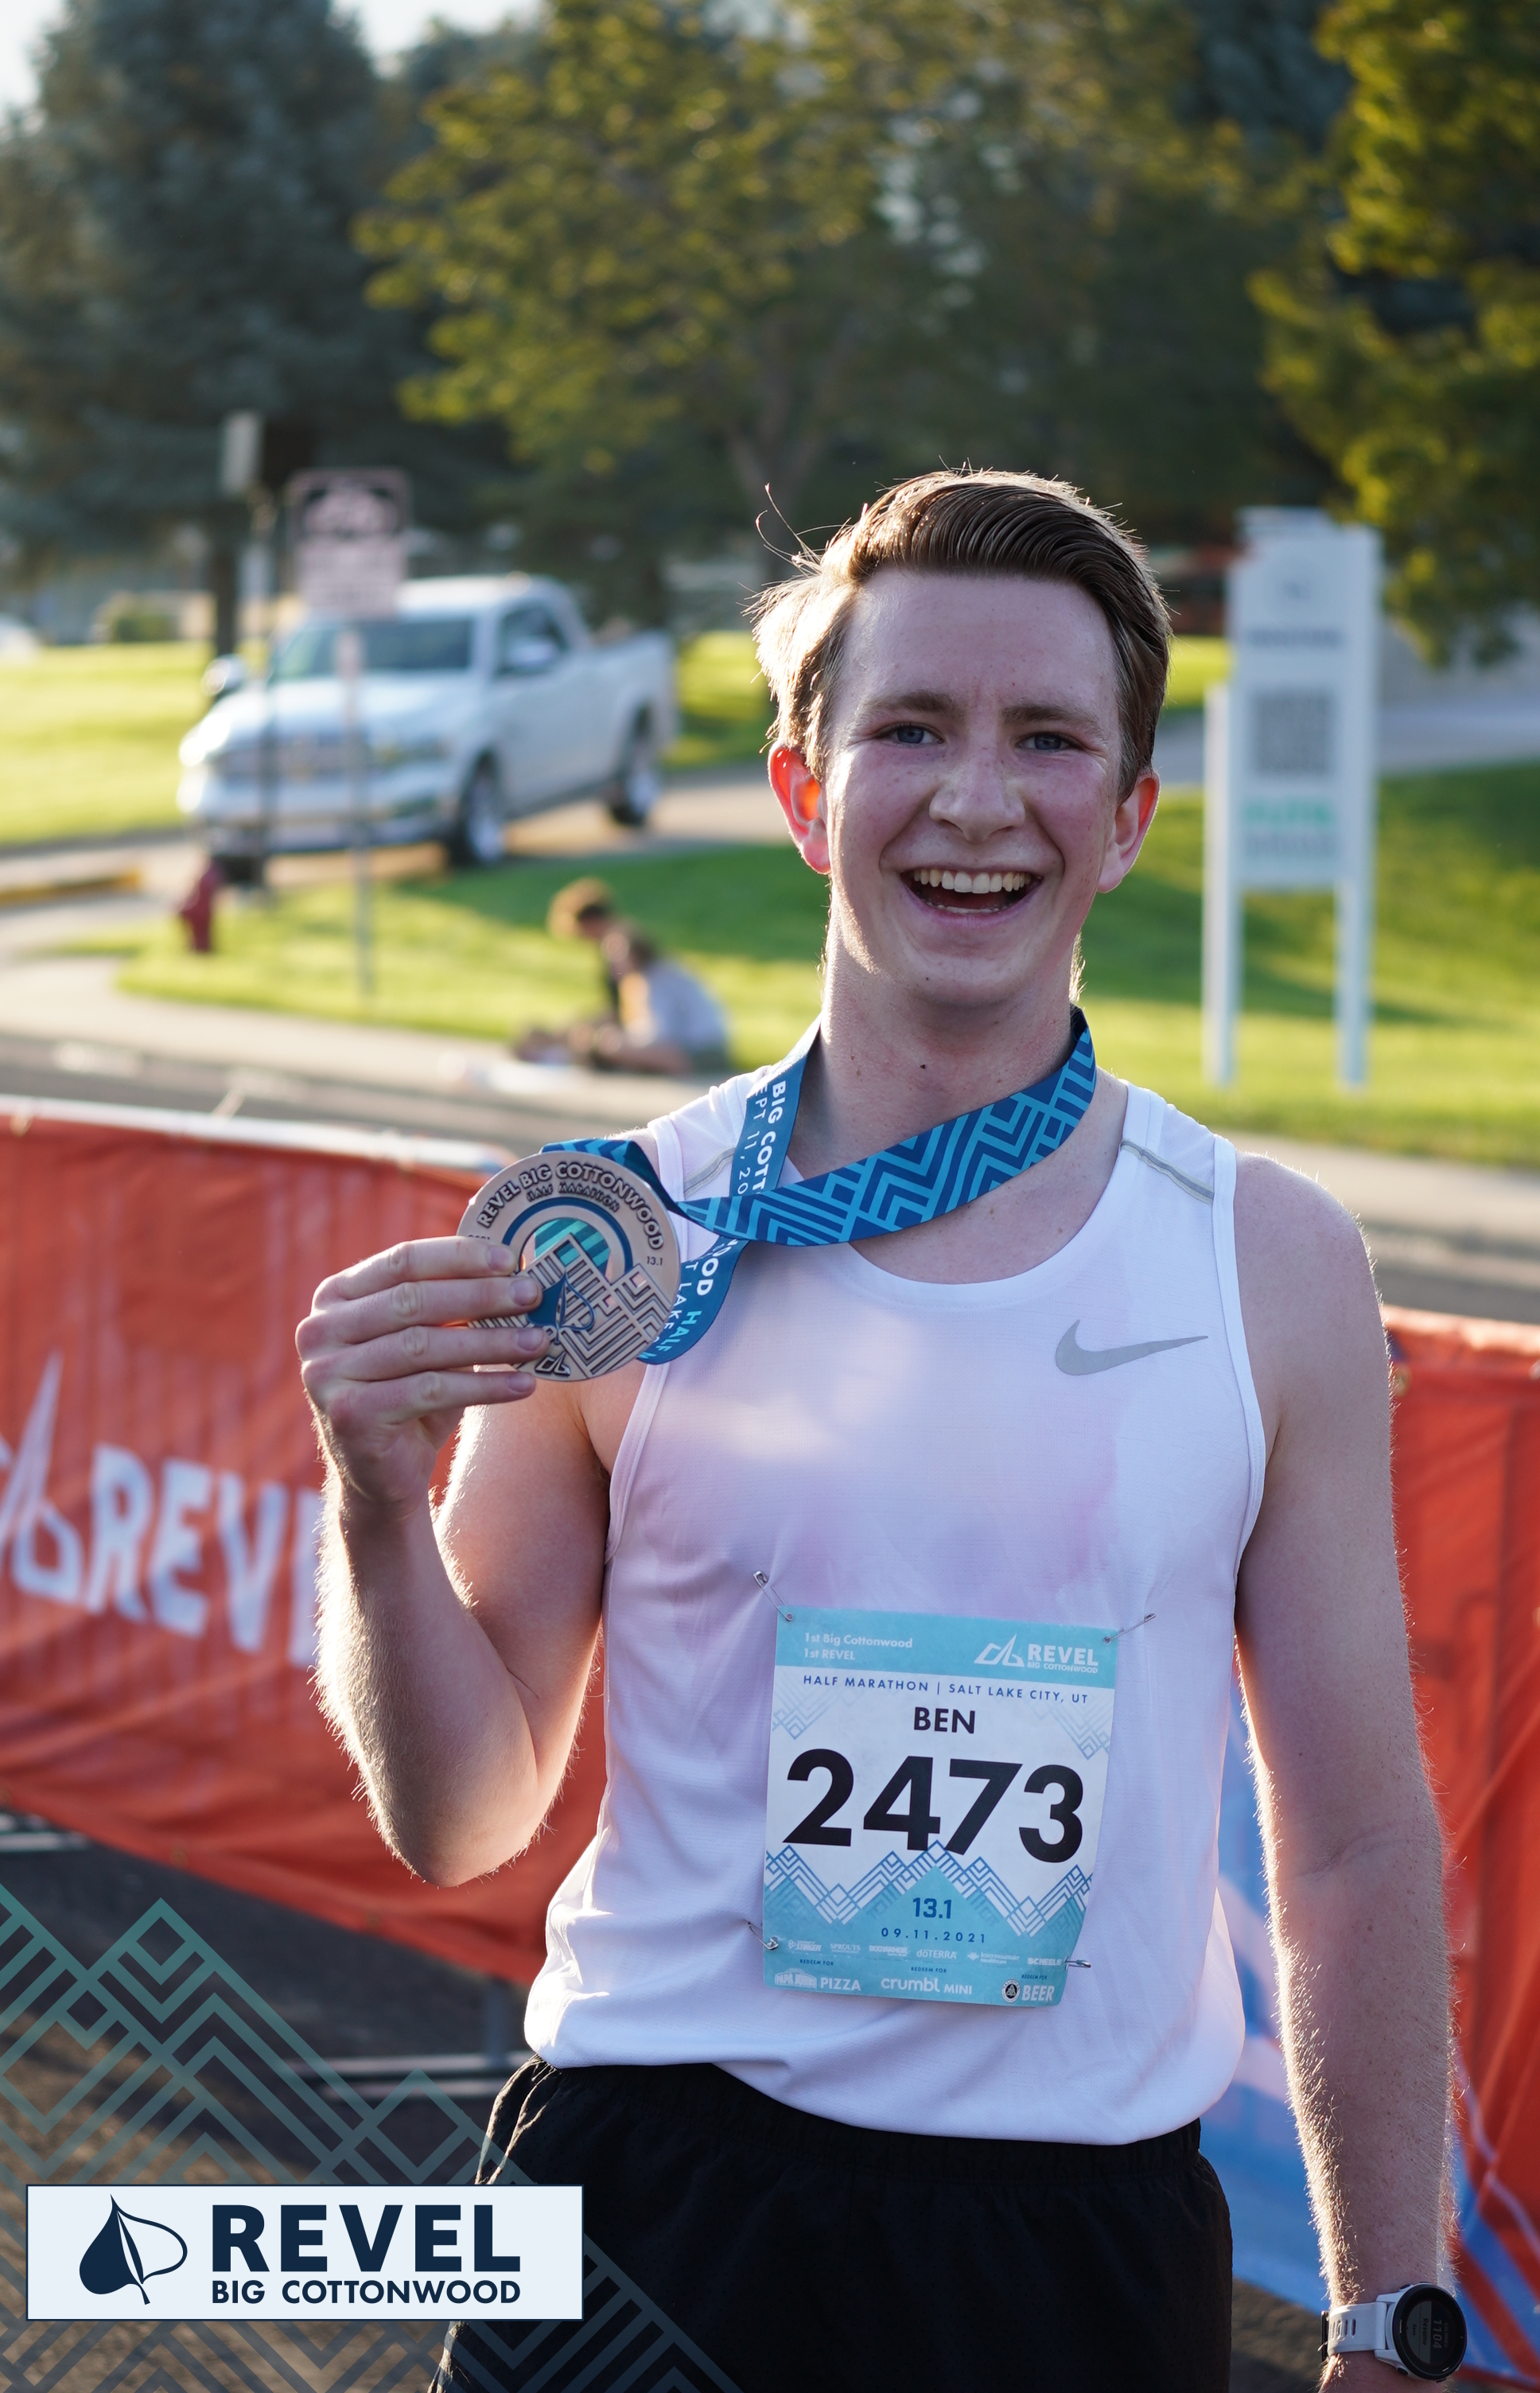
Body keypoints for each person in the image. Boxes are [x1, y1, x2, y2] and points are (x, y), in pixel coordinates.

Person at [298, 470, 1453, 2392]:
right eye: (908, 727)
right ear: (799, 789)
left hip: (1071, 2251)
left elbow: (1346, 1838)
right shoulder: (624, 1240)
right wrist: (372, 1507)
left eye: (1046, 739)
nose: (976, 798)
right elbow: (461, 1812)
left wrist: (1387, 2306)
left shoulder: (1262, 1258)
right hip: (648, 2204)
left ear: (1127, 817)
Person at [516, 877, 729, 1076]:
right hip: (685, 1045)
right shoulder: (643, 982)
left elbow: (658, 1033)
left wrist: (610, 1041)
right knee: (604, 1040)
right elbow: (621, 1015)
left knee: (612, 1044)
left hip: (700, 1051)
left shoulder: (655, 981)